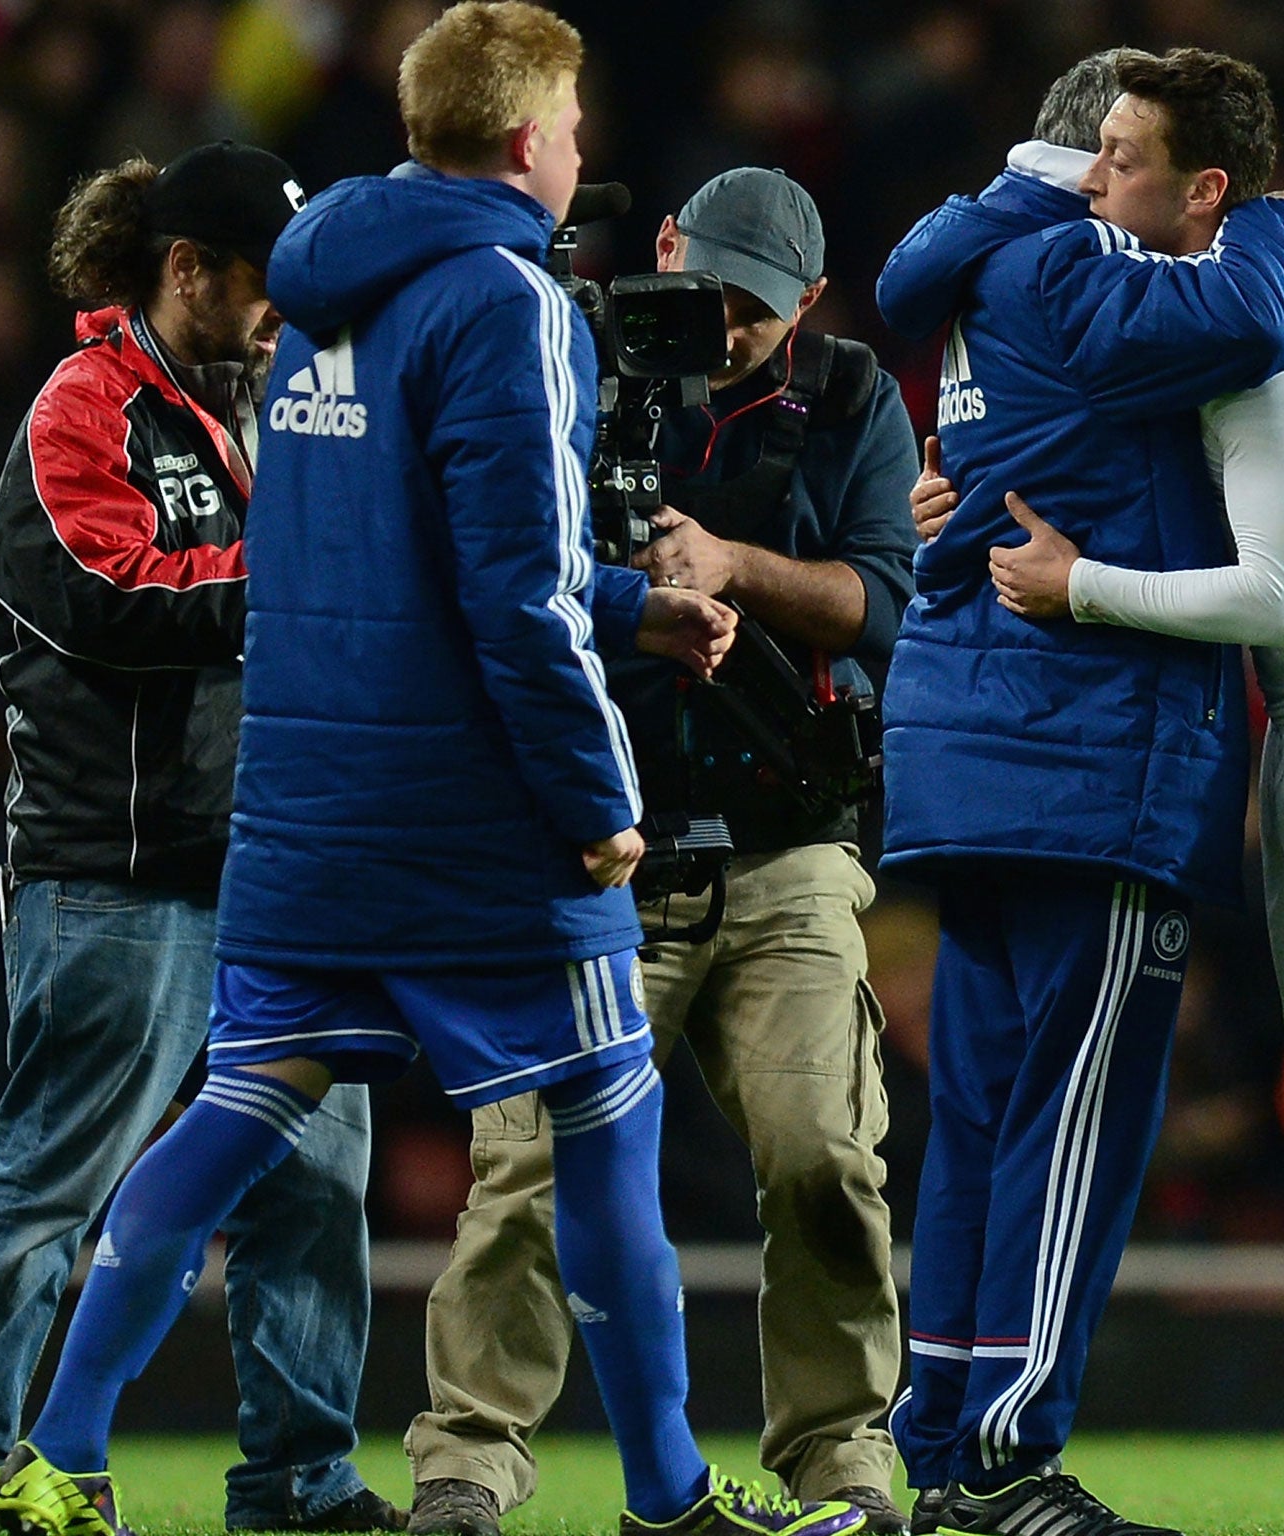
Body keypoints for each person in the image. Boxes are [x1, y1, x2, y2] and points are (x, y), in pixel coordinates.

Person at [0, 11, 859, 1536]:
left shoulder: (312, 300)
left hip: (303, 823)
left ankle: (53, 1452)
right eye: (572, 123)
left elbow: (362, 556)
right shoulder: (506, 301)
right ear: (530, 140)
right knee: (607, 1110)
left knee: (234, 1114)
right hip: (470, 824)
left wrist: (630, 602)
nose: (579, 146)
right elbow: (508, 595)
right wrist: (599, 804)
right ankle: (665, 1490)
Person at [404, 166, 918, 1536]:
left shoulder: (857, 400)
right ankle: (466, 1465)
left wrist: (733, 565)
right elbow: (488, 563)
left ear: (808, 300)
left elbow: (884, 609)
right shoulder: (562, 360)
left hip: (784, 842)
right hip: (591, 845)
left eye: (759, 309)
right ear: (670, 248)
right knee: (525, 1170)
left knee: (823, 1154)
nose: (728, 325)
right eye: (711, 291)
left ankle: (844, 1468)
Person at [873, 46, 1284, 1536]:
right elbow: (1259, 316)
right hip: (1088, 761)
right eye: (1114, 156)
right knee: (1076, 1128)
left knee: (985, 1124)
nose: (1123, 183)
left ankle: (940, 1448)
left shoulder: (977, 284)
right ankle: (1008, 1459)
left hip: (978, 761)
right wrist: (1275, 211)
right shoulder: (1070, 272)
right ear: (1079, 171)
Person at [0, 139, 400, 1533]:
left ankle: (298, 1481)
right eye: (262, 281)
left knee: (318, 1191)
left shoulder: (278, 403)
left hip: (280, 873)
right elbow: (107, 590)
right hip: (117, 876)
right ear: (183, 271)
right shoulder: (81, 408)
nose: (287, 305)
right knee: (53, 1189)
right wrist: (302, 571)